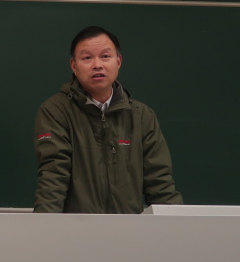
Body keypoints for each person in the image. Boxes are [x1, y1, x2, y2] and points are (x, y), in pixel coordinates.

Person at [34, 25, 183, 213]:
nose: (97, 65)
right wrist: (45, 226)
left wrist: (176, 225)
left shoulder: (141, 116)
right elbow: (53, 176)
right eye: (87, 58)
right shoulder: (56, 111)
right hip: (75, 227)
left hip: (127, 227)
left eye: (105, 56)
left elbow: (159, 182)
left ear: (118, 61)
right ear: (74, 65)